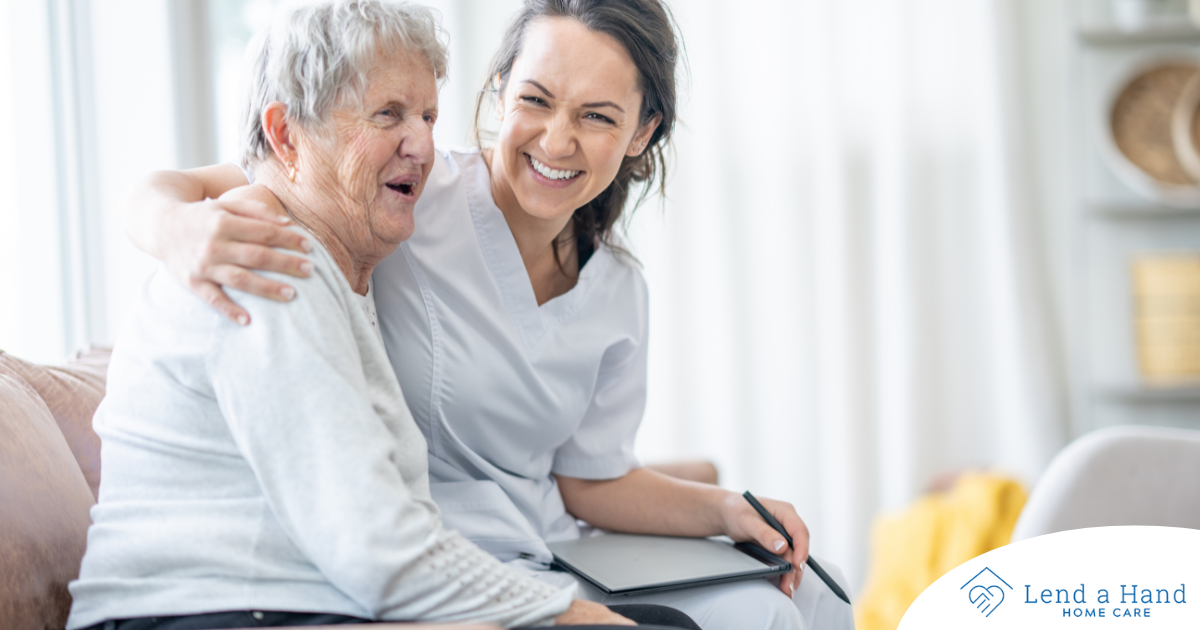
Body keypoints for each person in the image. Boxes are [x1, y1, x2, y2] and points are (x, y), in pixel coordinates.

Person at [122, 1, 856, 629]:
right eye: (535, 100)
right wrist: (170, 227)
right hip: (436, 563)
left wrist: (726, 510)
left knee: (813, 599)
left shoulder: (618, 290)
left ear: (640, 134)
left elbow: (588, 479)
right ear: (500, 91)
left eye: (597, 117)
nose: (557, 140)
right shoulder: (401, 191)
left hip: (550, 550)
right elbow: (260, 174)